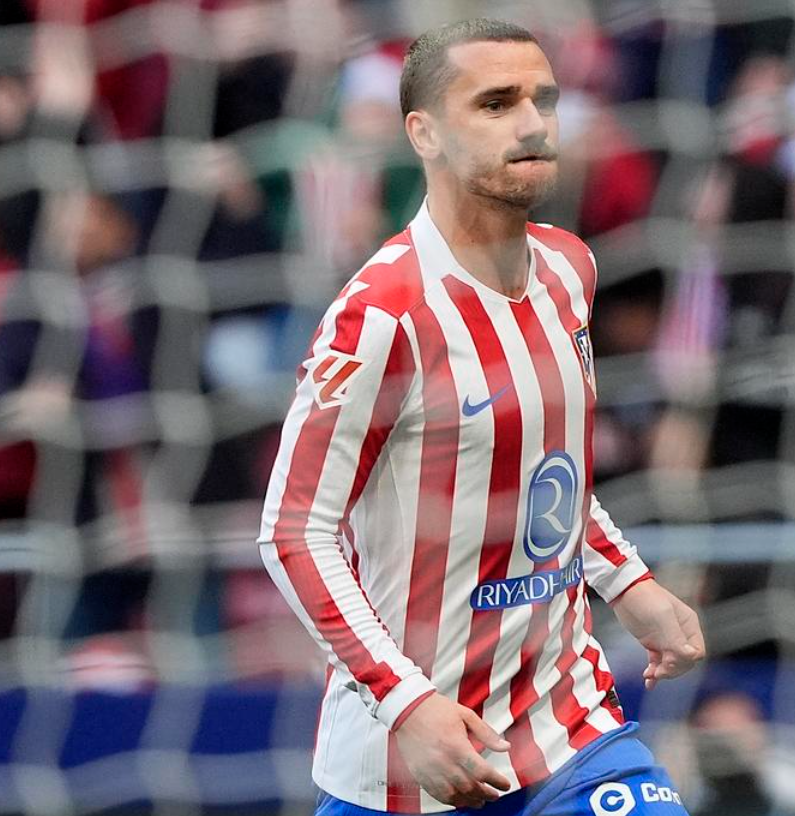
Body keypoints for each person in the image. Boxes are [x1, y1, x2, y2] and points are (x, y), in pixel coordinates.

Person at [258, 18, 705, 815]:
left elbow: (548, 473)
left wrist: (629, 582)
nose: (532, 124)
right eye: (496, 104)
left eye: (543, 100)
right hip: (409, 760)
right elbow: (294, 531)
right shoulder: (382, 313)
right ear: (423, 133)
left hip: (567, 726)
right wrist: (408, 706)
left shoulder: (570, 268)